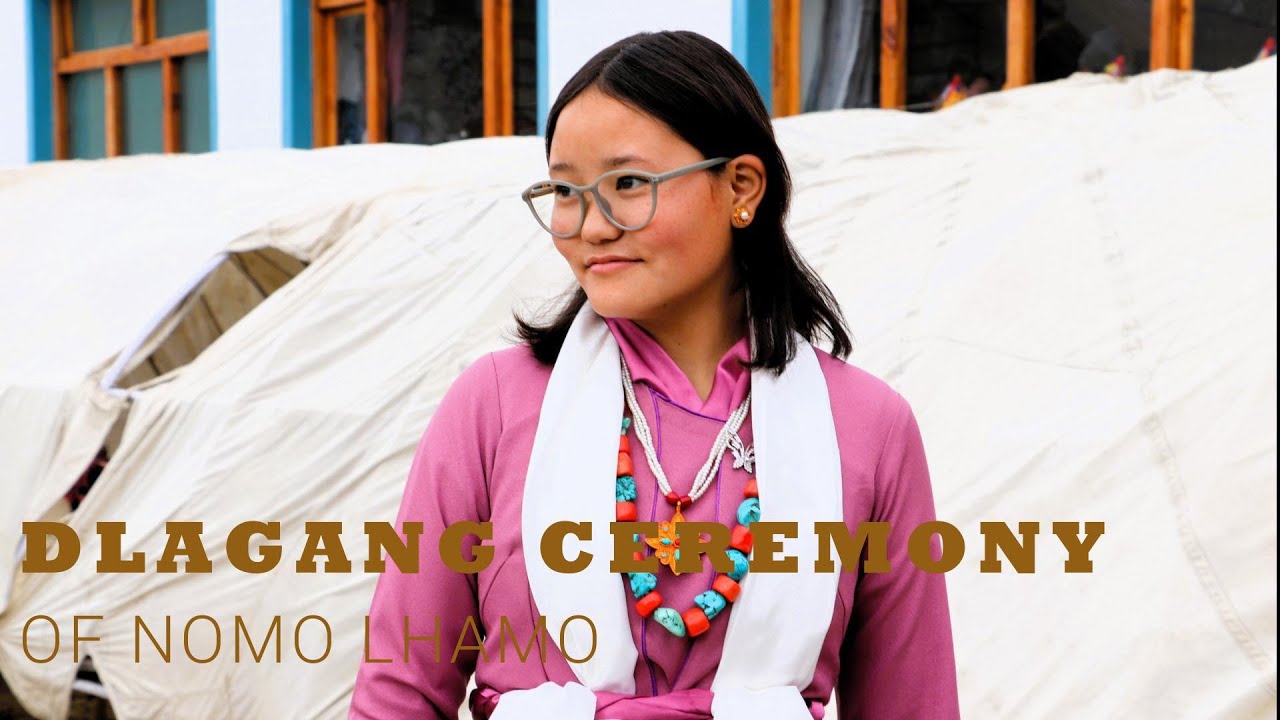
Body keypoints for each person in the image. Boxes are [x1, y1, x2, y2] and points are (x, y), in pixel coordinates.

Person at [350, 30, 959, 720]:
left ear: (741, 187)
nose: (590, 225)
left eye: (628, 184)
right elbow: (400, 692)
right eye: (566, 190)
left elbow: (913, 705)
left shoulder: (869, 428)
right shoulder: (493, 405)